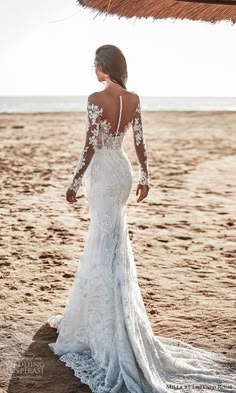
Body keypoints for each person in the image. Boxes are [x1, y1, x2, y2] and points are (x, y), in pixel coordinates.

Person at [48, 45, 236, 393]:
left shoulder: (95, 96)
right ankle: (112, 309)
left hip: (104, 171)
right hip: (123, 171)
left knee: (102, 239)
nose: (94, 70)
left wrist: (74, 181)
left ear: (103, 67)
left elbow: (90, 143)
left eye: (95, 65)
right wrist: (146, 176)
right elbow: (139, 141)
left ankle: (103, 319)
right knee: (115, 238)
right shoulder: (134, 98)